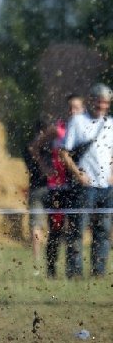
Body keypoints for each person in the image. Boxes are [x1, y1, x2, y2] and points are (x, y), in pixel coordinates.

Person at [60, 83, 113, 278]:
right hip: (85, 187)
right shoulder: (77, 121)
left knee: (103, 231)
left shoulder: (111, 123)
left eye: (106, 103)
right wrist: (78, 174)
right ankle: (74, 273)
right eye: (99, 102)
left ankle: (98, 272)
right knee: (77, 230)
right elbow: (64, 153)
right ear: (91, 101)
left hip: (106, 187)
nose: (102, 107)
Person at [42, 95, 85, 278]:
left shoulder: (85, 130)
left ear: (83, 110)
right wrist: (46, 168)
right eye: (70, 108)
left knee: (74, 229)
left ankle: (72, 270)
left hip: (76, 186)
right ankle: (51, 269)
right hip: (57, 186)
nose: (72, 111)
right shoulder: (58, 129)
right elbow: (35, 147)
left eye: (76, 108)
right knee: (56, 228)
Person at [23, 120, 51, 268]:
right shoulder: (50, 145)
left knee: (36, 226)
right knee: (54, 226)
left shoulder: (28, 147)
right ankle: (50, 259)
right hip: (53, 188)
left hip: (35, 188)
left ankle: (37, 260)